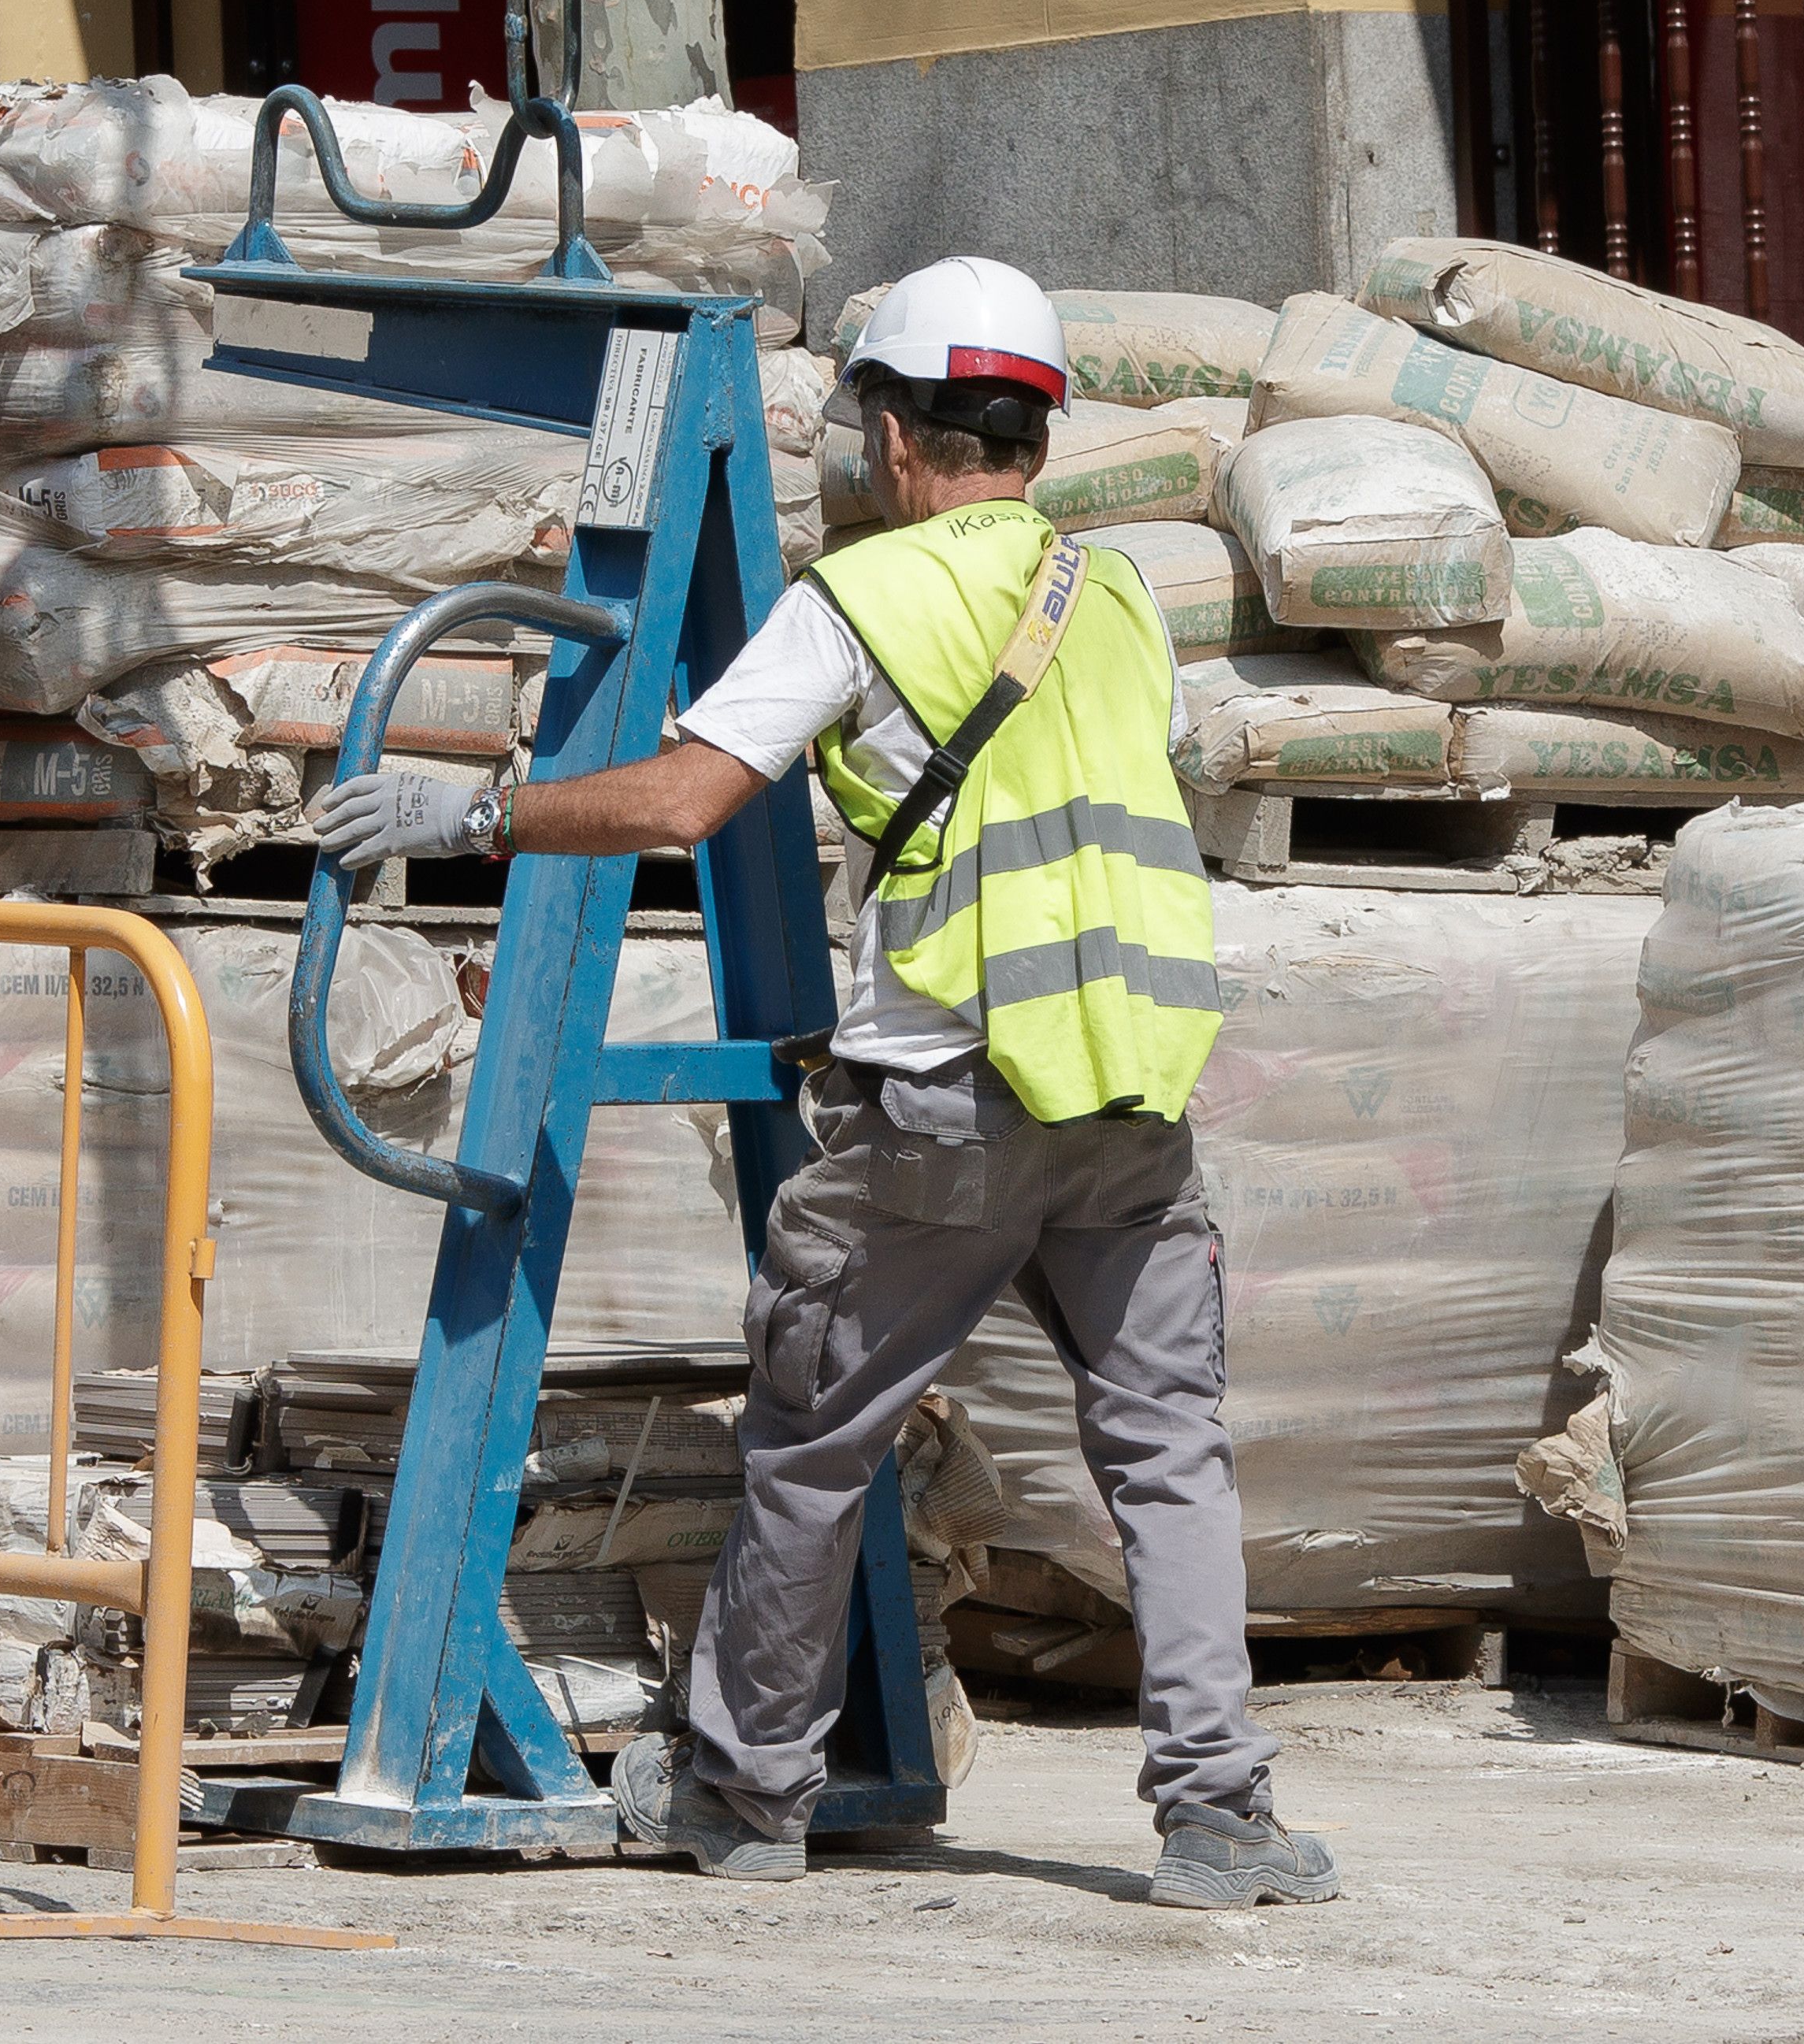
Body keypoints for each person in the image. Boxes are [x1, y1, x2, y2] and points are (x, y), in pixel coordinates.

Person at [310, 256, 1334, 1912]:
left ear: (898, 431)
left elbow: (676, 803)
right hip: (1128, 1097)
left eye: (857, 417)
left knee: (812, 1437)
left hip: (948, 1094)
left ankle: (739, 1787)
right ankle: (1219, 1817)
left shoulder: (858, 596)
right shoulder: (1121, 595)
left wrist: (471, 819)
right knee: (1166, 1453)